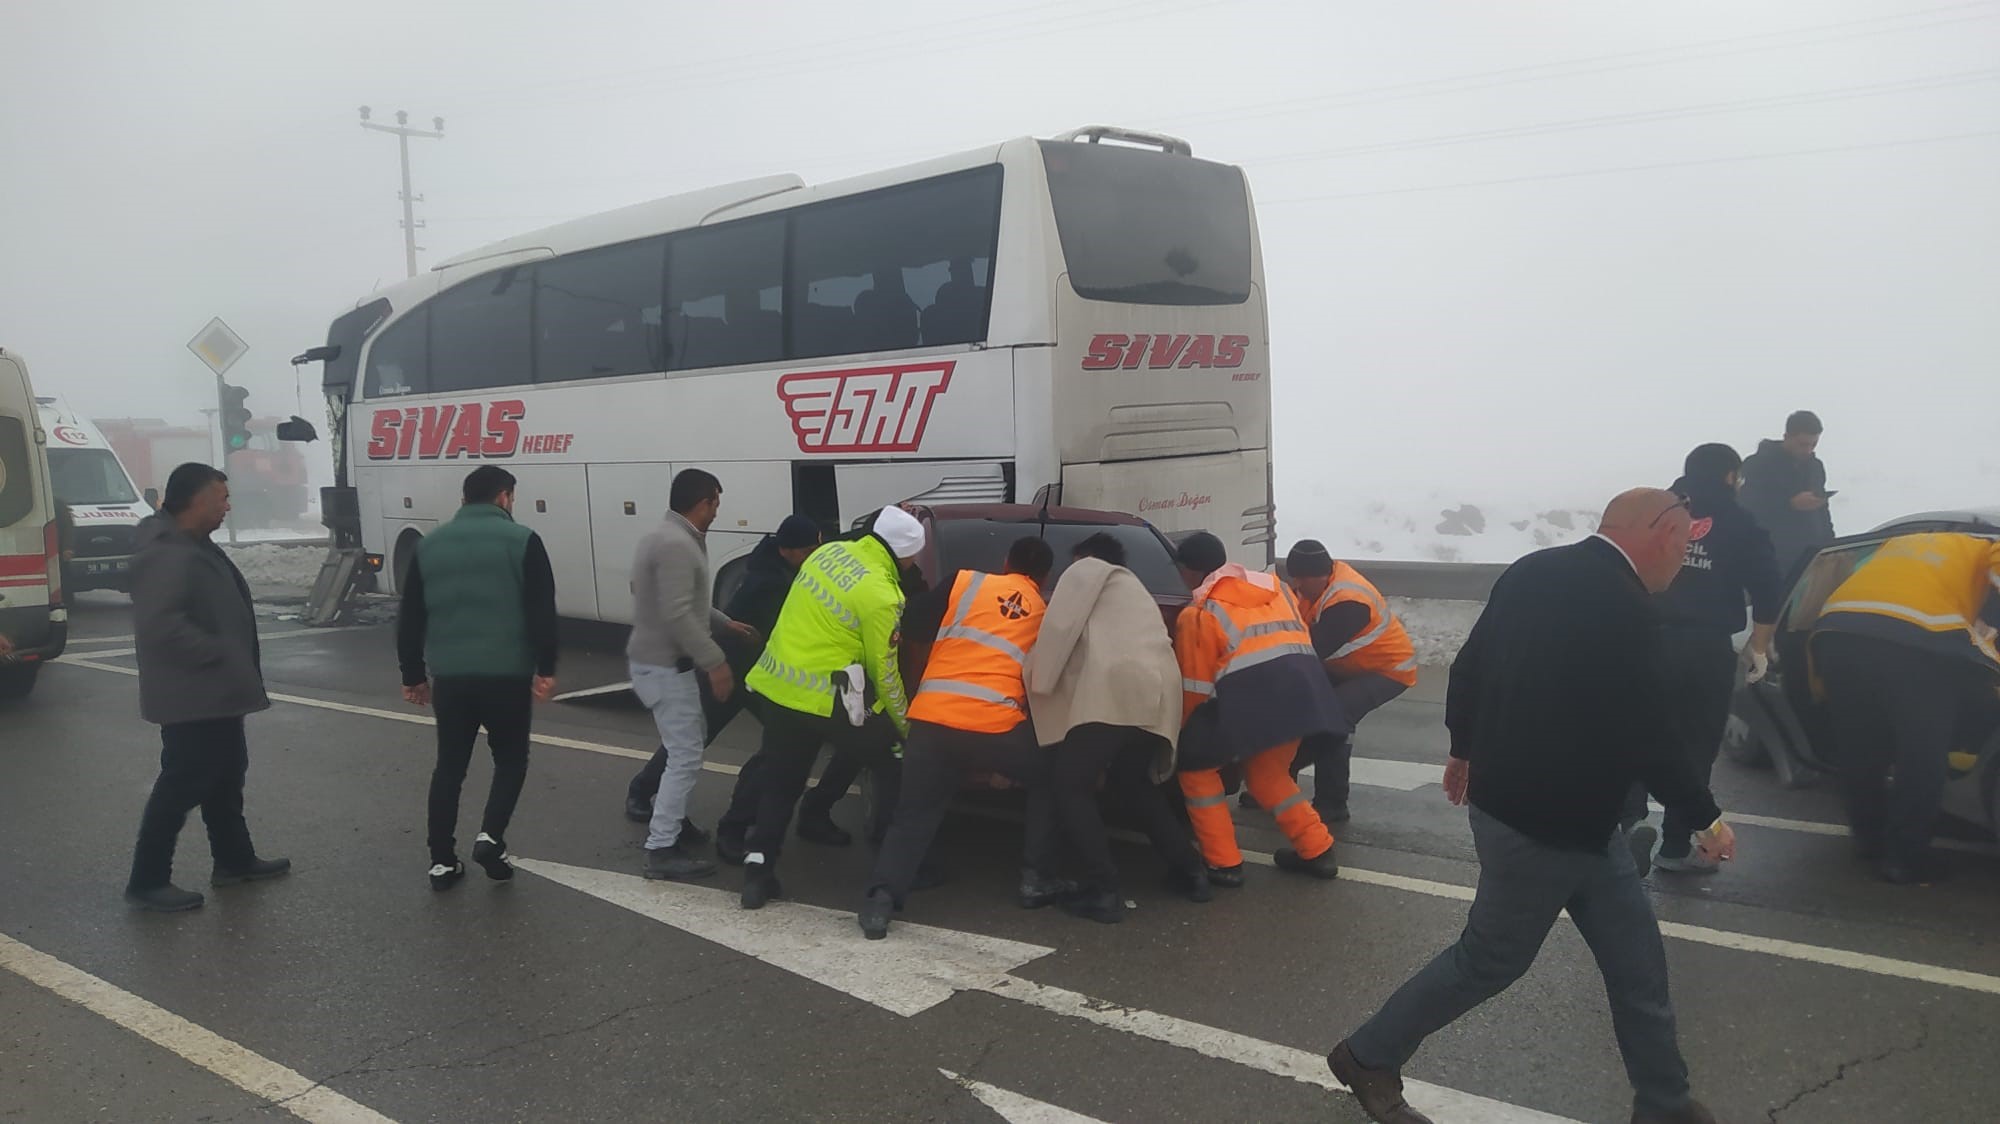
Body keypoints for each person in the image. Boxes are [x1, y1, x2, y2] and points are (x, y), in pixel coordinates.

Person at [1325, 489, 1737, 1124]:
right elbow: (1650, 729)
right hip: (1539, 825)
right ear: (1658, 534)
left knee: (1637, 964)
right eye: (1684, 545)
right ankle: (1368, 1055)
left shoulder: (1532, 570)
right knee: (1490, 960)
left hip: (1576, 820)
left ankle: (1665, 1102)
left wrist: (1463, 747)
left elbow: (1471, 666)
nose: (1683, 560)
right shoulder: (1627, 609)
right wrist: (1703, 814)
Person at [858, 537, 1067, 938]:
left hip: (933, 718)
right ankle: (1035, 878)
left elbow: (914, 623)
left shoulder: (965, 582)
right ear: (1044, 578)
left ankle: (879, 903)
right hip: (995, 725)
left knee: (913, 813)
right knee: (1049, 778)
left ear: (1005, 561)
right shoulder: (1046, 612)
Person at [737, 505, 924, 909]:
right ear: (903, 555)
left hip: (779, 689)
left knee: (781, 782)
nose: (914, 564)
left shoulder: (826, 554)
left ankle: (757, 871)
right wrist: (906, 728)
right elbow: (885, 672)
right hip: (832, 699)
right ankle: (892, 869)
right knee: (891, 761)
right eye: (913, 557)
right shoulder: (882, 594)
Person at [124, 463, 288, 913]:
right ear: (196, 500)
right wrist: (220, 652)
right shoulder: (166, 552)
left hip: (215, 692)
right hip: (191, 693)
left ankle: (234, 860)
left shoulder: (194, 545)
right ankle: (148, 879)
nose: (227, 506)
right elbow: (161, 625)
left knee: (226, 773)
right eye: (221, 498)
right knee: (182, 783)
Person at [1026, 532, 1211, 914]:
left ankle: (1103, 887)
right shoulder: (1134, 588)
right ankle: (1192, 871)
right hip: (1158, 692)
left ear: (1084, 555)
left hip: (1113, 690)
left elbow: (1058, 632)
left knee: (1069, 784)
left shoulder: (1087, 569)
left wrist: (1037, 679)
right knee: (1133, 784)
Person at [397, 466, 559, 891]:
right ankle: (490, 836)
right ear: (505, 497)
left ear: (465, 498)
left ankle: (441, 861)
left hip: (451, 677)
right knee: (510, 760)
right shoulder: (523, 540)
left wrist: (412, 674)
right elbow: (542, 610)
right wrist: (546, 668)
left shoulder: (429, 546)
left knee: (449, 766)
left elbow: (410, 615)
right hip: (507, 675)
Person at [1812, 532, 2000, 884]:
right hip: (1913, 642)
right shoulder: (1986, 547)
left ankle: (1868, 841)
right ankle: (1905, 859)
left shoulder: (1905, 542)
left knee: (1861, 749)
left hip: (1838, 631)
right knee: (1922, 756)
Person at [1630, 444, 1783, 876]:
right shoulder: (1741, 523)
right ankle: (1676, 847)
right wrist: (1758, 645)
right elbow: (1769, 589)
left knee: (1633, 731)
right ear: (1731, 476)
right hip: (1704, 650)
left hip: (1646, 639)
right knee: (1695, 745)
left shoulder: (1657, 515)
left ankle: (1620, 831)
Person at [1173, 531, 1348, 885]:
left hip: (1249, 699)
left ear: (1190, 572)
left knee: (1196, 769)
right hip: (1303, 692)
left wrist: (1181, 733)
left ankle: (1223, 863)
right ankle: (1317, 850)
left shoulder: (1200, 611)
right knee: (1268, 775)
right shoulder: (1274, 586)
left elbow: (1195, 687)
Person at [622, 468, 758, 882]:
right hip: (665, 665)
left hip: (660, 662)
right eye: (716, 503)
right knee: (685, 755)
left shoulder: (663, 537)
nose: (717, 512)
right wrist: (716, 661)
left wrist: (725, 623)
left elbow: (679, 600)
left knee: (685, 744)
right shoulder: (678, 545)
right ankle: (661, 847)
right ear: (702, 503)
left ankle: (672, 820)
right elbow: (677, 611)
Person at [1277, 541, 1418, 824]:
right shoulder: (1312, 588)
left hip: (1386, 670)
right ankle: (1279, 786)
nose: (1297, 585)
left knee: (1334, 719)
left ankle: (1331, 803)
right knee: (1293, 707)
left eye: (1302, 578)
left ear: (1320, 574)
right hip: (1348, 665)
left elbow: (1311, 651)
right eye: (1294, 578)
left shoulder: (1348, 601)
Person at [1739, 410, 1835, 579]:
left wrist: (1831, 544)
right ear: (1787, 436)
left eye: (1813, 444)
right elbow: (1747, 506)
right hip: (1771, 555)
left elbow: (1823, 510)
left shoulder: (1815, 466)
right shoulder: (1759, 464)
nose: (1808, 450)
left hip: (1811, 553)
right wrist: (1789, 504)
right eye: (1803, 444)